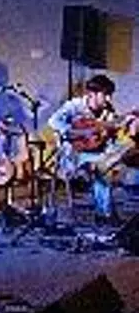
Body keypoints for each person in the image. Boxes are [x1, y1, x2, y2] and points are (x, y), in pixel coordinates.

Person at [48, 74, 139, 225]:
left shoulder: (108, 112)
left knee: (126, 148)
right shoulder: (74, 106)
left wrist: (122, 126)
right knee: (103, 169)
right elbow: (53, 122)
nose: (108, 99)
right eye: (105, 95)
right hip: (73, 155)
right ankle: (104, 213)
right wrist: (79, 132)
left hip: (98, 153)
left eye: (110, 95)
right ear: (92, 94)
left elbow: (111, 134)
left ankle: (103, 212)